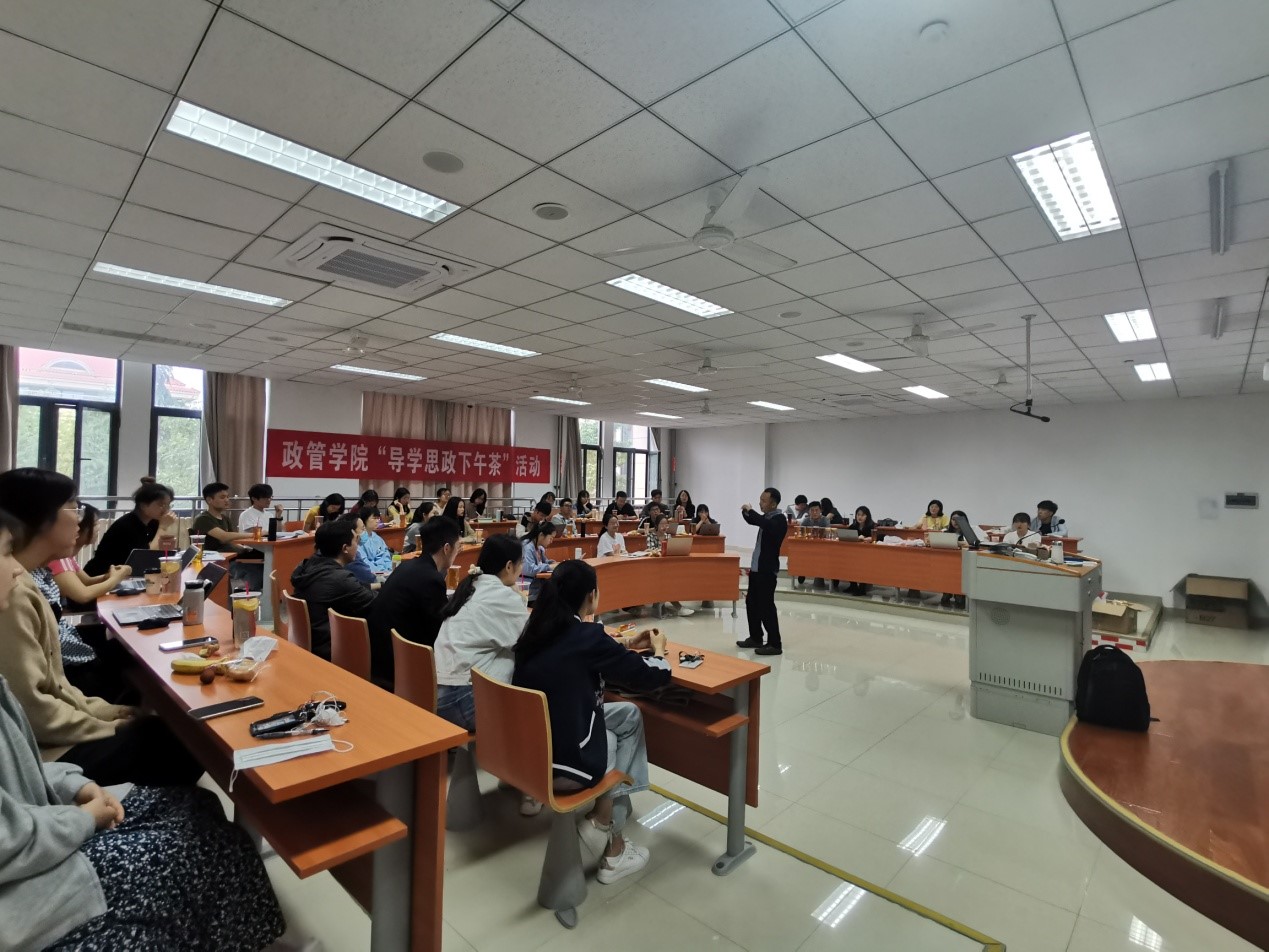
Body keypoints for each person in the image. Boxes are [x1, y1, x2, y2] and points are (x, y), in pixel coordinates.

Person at [0, 508, 286, 952]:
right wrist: (84, 814)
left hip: (49, 801)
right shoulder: (21, 597)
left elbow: (26, 755)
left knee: (201, 803)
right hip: (32, 888)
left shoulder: (32, 586)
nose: (16, 567)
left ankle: (237, 930)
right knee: (194, 808)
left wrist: (76, 783)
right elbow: (14, 829)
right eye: (4, 553)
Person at [0, 470, 203, 786]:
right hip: (43, 755)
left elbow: (55, 687)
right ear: (39, 515)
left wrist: (105, 711)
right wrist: (108, 726)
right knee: (183, 743)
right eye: (74, 507)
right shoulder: (11, 592)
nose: (81, 521)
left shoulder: (27, 579)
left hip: (52, 731)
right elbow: (33, 708)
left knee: (161, 727)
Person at [513, 560, 671, 883]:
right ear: (591, 596)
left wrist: (625, 644)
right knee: (611, 736)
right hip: (566, 768)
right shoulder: (586, 637)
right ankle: (610, 838)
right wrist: (659, 651)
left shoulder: (537, 630)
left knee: (629, 714)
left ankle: (610, 811)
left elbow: (581, 653)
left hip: (528, 758)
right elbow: (650, 677)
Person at [367, 518, 460, 689]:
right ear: (447, 548)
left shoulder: (406, 566)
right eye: (458, 547)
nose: (458, 552)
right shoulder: (431, 579)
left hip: (378, 657)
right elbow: (439, 631)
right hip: (399, 668)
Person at [290, 521, 377, 660]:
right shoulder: (339, 578)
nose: (358, 545)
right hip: (330, 648)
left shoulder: (306, 566)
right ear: (345, 548)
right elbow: (376, 602)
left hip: (308, 640)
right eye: (356, 541)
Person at [83, 481, 178, 576]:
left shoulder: (153, 522)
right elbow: (145, 555)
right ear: (143, 505)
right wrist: (163, 528)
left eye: (168, 505)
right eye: (161, 505)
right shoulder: (126, 525)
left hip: (125, 575)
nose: (166, 509)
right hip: (100, 575)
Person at [49, 505, 131, 609]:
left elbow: (87, 581)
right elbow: (83, 595)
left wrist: (110, 575)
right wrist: (115, 578)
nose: (98, 528)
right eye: (95, 524)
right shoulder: (59, 558)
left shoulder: (67, 556)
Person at [737, 487, 787, 656]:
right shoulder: (766, 517)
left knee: (766, 607)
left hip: (767, 570)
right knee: (751, 603)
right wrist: (745, 512)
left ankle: (775, 643)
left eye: (763, 501)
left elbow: (764, 523)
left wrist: (751, 512)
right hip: (757, 568)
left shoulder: (779, 520)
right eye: (760, 500)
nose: (760, 503)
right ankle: (756, 637)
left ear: (773, 504)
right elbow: (752, 520)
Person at [192, 482, 262, 592]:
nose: (227, 500)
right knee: (259, 566)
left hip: (232, 556)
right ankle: (248, 592)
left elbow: (233, 540)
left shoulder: (225, 519)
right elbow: (224, 537)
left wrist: (244, 548)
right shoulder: (203, 519)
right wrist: (255, 534)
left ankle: (249, 591)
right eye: (222, 497)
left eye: (227, 497)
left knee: (265, 558)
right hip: (216, 559)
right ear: (209, 500)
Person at [645, 514, 693, 617]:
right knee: (666, 582)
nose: (664, 527)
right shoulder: (651, 536)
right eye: (662, 524)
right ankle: (678, 607)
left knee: (672, 580)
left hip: (667, 567)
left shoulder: (668, 536)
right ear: (656, 525)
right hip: (654, 568)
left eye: (666, 524)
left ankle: (662, 605)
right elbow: (650, 550)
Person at [338, 515, 382, 590]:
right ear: (352, 532)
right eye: (362, 528)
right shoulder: (350, 553)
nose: (365, 531)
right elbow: (367, 578)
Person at [520, 520, 556, 606]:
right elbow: (528, 569)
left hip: (537, 589)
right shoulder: (527, 546)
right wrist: (549, 567)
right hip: (529, 591)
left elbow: (542, 563)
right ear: (541, 535)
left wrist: (550, 563)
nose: (551, 541)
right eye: (550, 538)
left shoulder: (538, 547)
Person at [843, 506, 877, 596]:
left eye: (862, 515)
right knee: (848, 562)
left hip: (867, 554)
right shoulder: (853, 526)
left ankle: (862, 588)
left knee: (863, 565)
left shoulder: (872, 526)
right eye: (858, 515)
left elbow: (878, 537)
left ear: (867, 516)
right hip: (854, 553)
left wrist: (869, 538)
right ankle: (853, 586)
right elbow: (846, 536)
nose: (860, 517)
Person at [798, 501, 831, 588]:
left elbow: (828, 532)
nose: (815, 512)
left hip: (822, 547)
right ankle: (802, 572)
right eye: (812, 510)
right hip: (808, 547)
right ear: (809, 511)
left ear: (821, 510)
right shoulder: (806, 520)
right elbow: (800, 532)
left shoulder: (825, 520)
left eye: (817, 510)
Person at [352, 508, 394, 575]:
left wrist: (388, 569)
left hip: (385, 572)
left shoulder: (377, 538)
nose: (377, 521)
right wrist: (380, 572)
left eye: (378, 518)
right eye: (374, 518)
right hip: (371, 573)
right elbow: (364, 562)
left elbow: (385, 555)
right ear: (364, 519)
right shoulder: (359, 539)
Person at [944, 511, 971, 608]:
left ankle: (959, 594)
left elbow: (971, 544)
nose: (955, 521)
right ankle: (947, 592)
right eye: (953, 519)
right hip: (949, 562)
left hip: (965, 562)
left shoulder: (970, 532)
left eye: (958, 519)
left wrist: (958, 543)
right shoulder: (945, 532)